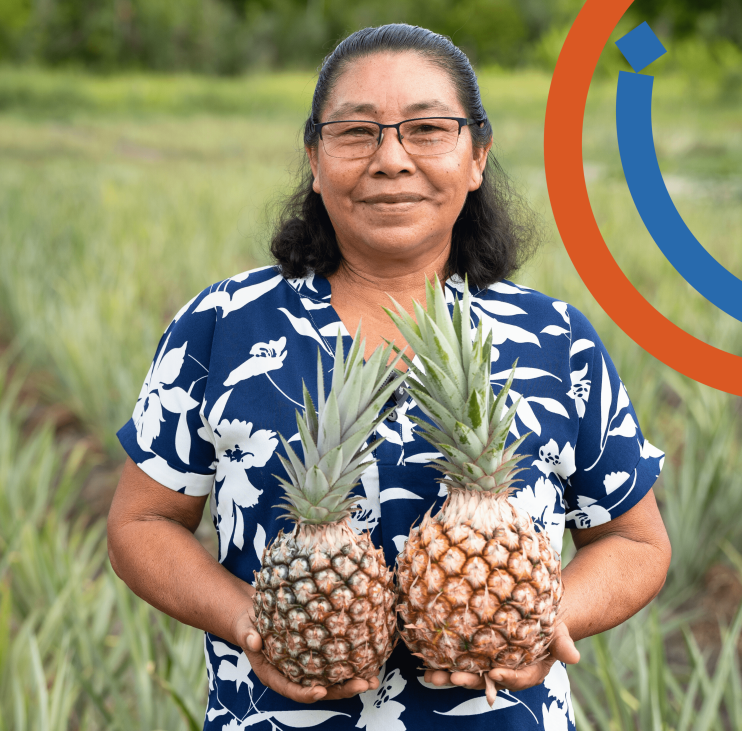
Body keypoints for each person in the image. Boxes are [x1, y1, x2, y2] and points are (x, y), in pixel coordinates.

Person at [106, 23, 671, 731]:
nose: (392, 160)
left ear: (477, 156)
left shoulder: (555, 339)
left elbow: (635, 541)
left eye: (428, 130)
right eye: (356, 133)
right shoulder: (224, 323)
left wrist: (547, 616)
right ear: (314, 159)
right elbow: (141, 521)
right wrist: (249, 618)